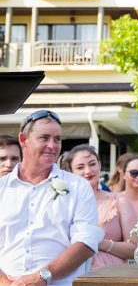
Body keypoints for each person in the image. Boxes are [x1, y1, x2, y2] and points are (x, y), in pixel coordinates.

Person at [0, 110, 103, 285]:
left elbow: (85, 243)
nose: (52, 145)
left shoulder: (78, 187)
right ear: (23, 140)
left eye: (57, 139)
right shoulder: (2, 188)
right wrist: (4, 281)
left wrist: (42, 277)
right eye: (44, 138)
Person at [61, 144, 138, 270]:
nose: (88, 171)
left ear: (99, 164)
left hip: (109, 274)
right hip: (71, 274)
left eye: (92, 164)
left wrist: (100, 243)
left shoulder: (119, 200)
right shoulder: (63, 202)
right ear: (70, 171)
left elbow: (136, 249)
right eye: (80, 167)